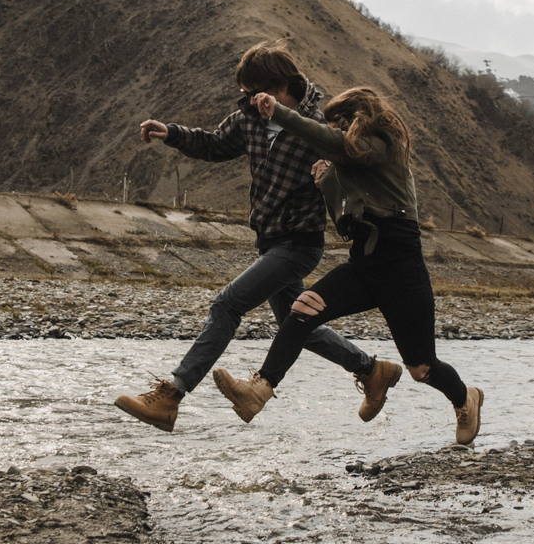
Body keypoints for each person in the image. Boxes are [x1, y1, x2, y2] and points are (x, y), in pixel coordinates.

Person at [113, 42, 401, 432]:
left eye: (257, 91)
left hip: (300, 243)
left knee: (227, 305)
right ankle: (372, 370)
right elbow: (215, 144)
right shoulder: (249, 117)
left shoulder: (315, 124)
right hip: (269, 240)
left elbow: (348, 176)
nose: (250, 100)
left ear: (283, 86)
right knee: (296, 325)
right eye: (247, 93)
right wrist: (172, 134)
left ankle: (171, 396)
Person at [210, 85, 483, 445]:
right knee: (301, 311)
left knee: (421, 368)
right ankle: (259, 389)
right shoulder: (348, 164)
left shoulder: (383, 146)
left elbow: (329, 139)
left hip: (402, 273)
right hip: (363, 268)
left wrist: (277, 112)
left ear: (358, 120)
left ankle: (465, 399)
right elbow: (344, 227)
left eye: (339, 126)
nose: (335, 134)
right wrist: (328, 183)